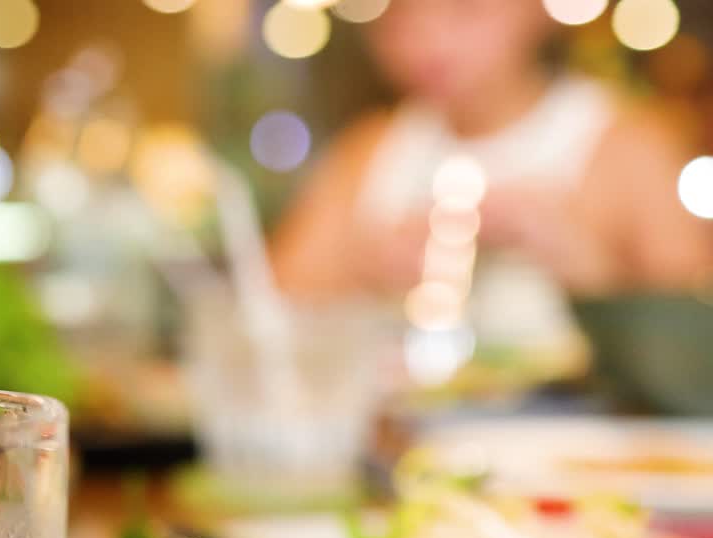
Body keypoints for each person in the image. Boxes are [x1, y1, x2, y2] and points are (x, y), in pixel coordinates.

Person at [272, 0, 711, 367]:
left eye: (467, 12)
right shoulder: (368, 150)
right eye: (401, 18)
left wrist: (592, 272)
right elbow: (264, 312)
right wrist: (361, 268)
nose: (430, 41)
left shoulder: (627, 144)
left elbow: (692, 338)